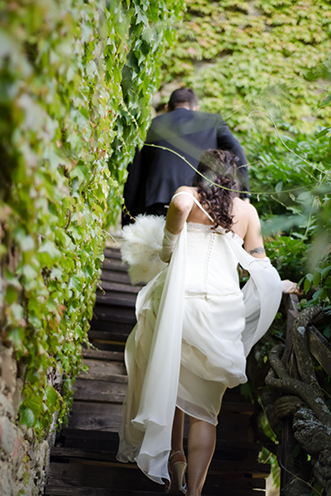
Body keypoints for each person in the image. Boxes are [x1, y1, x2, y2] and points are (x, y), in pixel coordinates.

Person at [117, 149, 287, 495]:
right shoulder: (247, 213)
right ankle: (194, 490)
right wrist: (280, 285)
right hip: (222, 313)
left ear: (202, 173)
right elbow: (259, 265)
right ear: (235, 177)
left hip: (182, 304)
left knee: (174, 381)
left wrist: (171, 238)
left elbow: (172, 234)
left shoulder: (187, 197)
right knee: (206, 412)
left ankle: (175, 456)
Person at [122, 88, 250, 225]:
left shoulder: (151, 125)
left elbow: (135, 173)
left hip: (158, 203)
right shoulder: (213, 122)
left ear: (167, 108)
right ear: (196, 108)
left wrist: (128, 219)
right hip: (200, 202)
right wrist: (244, 194)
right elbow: (236, 151)